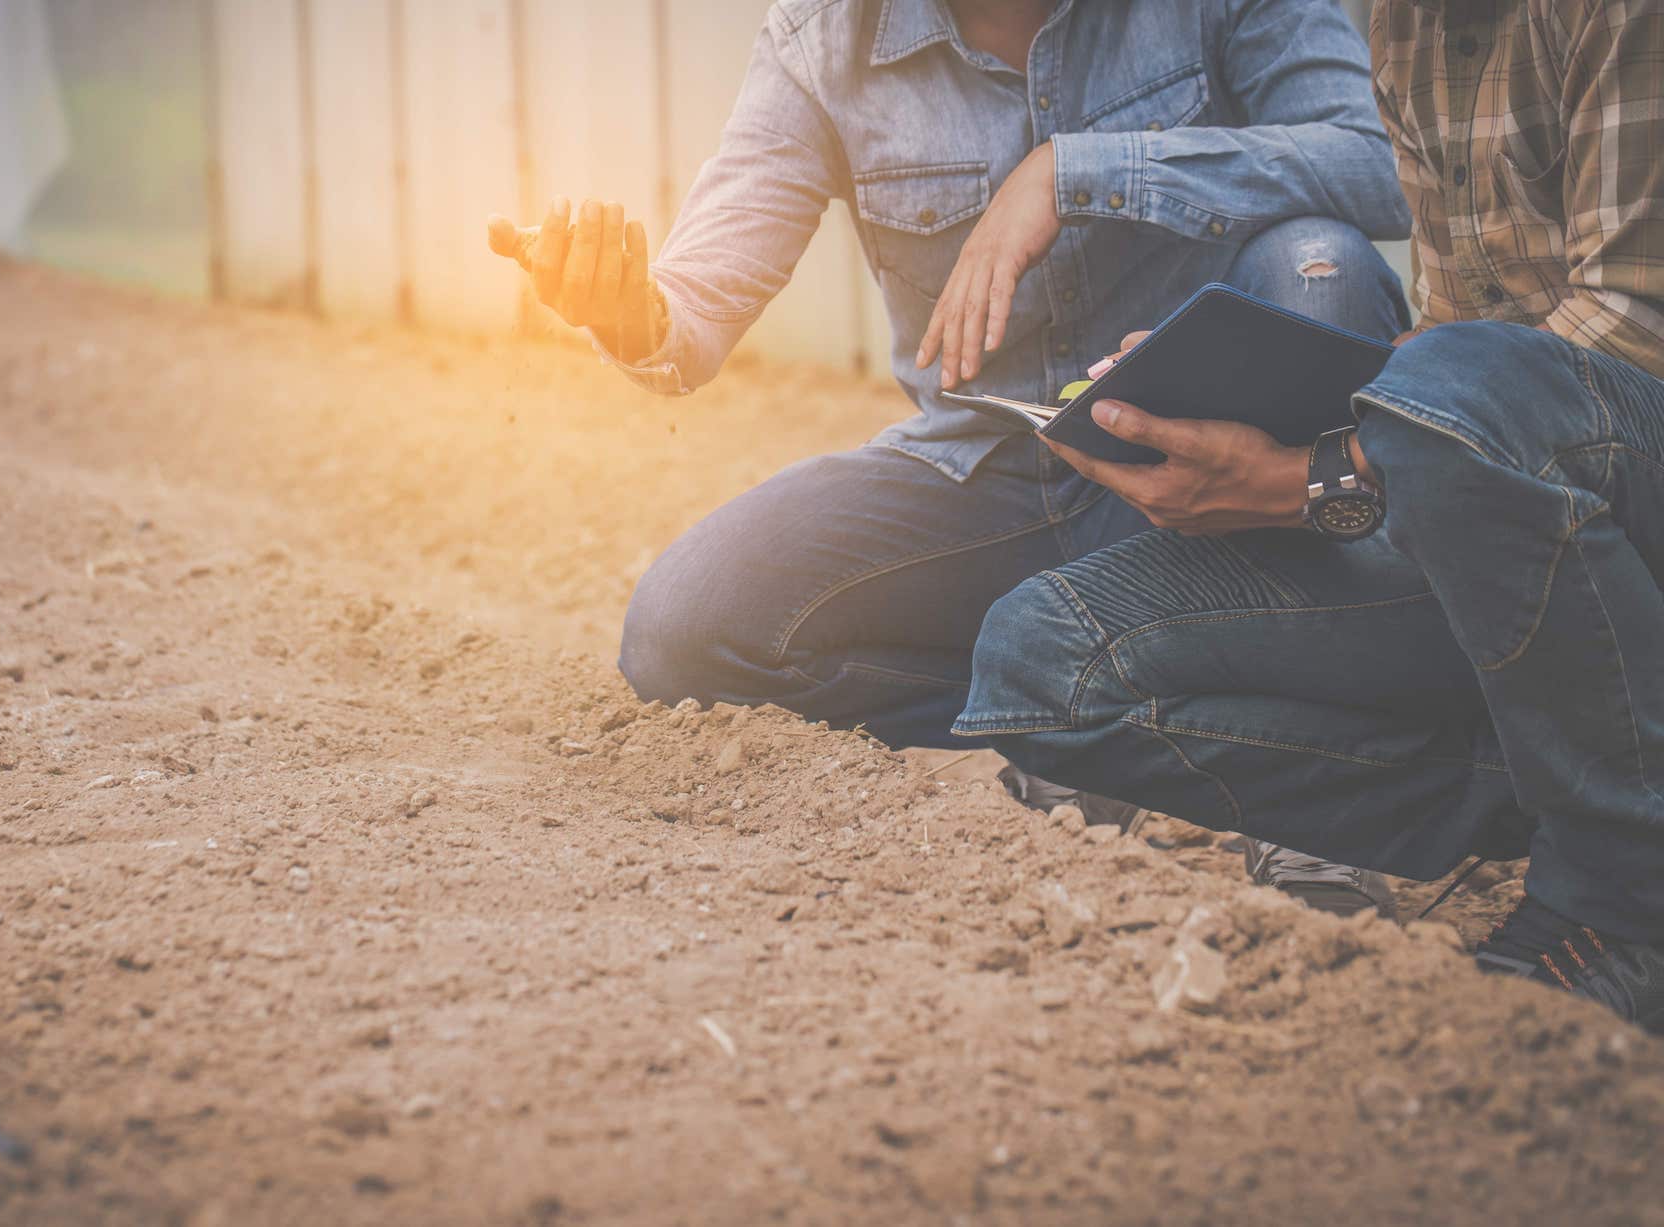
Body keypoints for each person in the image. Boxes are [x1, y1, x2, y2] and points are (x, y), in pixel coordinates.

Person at [488, 0, 1414, 913]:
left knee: (1318, 266)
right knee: (687, 628)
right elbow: (692, 309)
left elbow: (1382, 165)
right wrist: (629, 313)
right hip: (990, 476)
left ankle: (1312, 807)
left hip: (1212, 471)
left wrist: (1074, 171)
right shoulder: (822, 39)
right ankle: (1089, 731)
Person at [956, 0, 1664, 1030]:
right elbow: (1458, 333)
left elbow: (1630, 330)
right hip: (1499, 511)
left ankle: (1623, 901)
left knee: (1457, 380)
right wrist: (1234, 396)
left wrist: (1311, 478)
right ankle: (1592, 766)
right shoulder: (1403, 25)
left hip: (1627, 488)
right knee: (1042, 660)